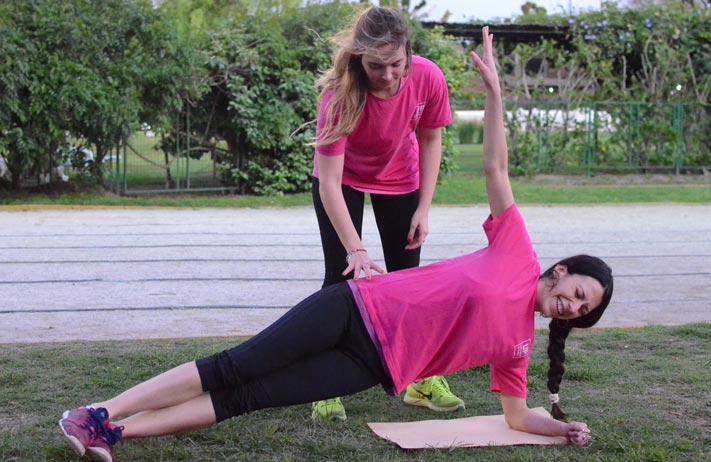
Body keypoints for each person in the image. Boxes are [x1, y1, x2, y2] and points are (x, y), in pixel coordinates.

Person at [59, 27, 613, 462]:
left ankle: (117, 433)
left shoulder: (518, 344)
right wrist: (494, 93)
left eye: (582, 311)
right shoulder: (518, 251)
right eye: (578, 292)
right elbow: (495, 166)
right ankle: (97, 411)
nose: (572, 306)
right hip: (358, 307)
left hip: (369, 366)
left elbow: (517, 417)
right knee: (236, 367)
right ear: (561, 271)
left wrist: (558, 427)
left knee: (246, 399)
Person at [311, 5, 462, 421]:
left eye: (396, 63)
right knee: (337, 280)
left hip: (401, 178)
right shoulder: (339, 96)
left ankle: (418, 378)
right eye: (377, 66)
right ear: (360, 57)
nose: (389, 75)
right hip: (342, 183)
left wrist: (425, 208)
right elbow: (328, 183)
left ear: (408, 53)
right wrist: (356, 250)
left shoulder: (428, 77)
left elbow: (431, 140)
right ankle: (324, 389)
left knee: (408, 281)